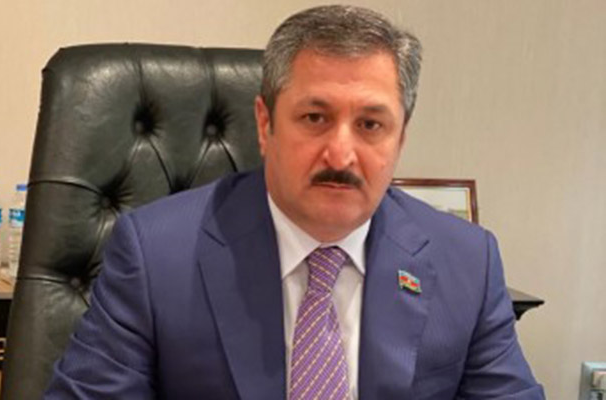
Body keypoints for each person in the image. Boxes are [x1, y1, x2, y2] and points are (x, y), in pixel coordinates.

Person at [44, 5, 545, 399]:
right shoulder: (156, 255)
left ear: (401, 138)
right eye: (314, 118)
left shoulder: (468, 262)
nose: (341, 154)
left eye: (371, 124)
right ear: (265, 125)